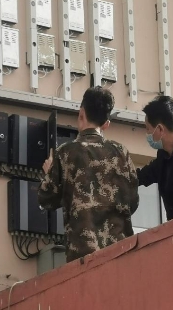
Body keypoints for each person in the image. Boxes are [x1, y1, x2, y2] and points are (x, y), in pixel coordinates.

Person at [38, 87, 139, 263]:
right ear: (106, 124)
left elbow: (46, 199)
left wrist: (48, 174)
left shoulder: (66, 153)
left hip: (83, 255)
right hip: (121, 253)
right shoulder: (121, 152)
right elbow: (133, 202)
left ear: (81, 113)